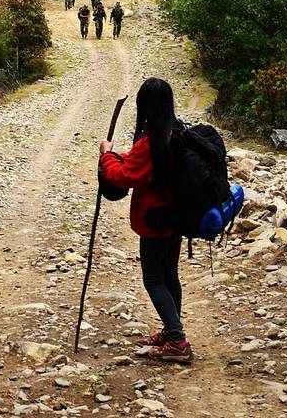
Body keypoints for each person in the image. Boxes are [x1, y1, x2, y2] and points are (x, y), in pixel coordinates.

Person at [99, 78, 193, 364]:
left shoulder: (149, 141)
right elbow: (138, 164)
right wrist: (118, 155)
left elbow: (123, 177)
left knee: (153, 280)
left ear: (145, 105)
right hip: (176, 218)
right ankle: (170, 331)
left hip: (154, 222)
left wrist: (106, 157)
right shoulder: (177, 132)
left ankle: (177, 340)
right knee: (170, 276)